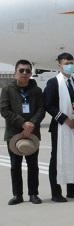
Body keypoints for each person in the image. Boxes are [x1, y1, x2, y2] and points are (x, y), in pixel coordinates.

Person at [1, 59, 44, 205]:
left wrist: (32, 123)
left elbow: (41, 109)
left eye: (28, 71)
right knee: (15, 166)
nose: (24, 73)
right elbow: (4, 110)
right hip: (14, 134)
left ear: (31, 73)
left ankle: (33, 194)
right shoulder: (7, 90)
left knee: (33, 166)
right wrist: (22, 123)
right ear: (15, 73)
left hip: (32, 133)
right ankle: (17, 195)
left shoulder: (37, 91)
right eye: (21, 70)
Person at [43, 52, 74, 202]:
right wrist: (65, 119)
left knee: (73, 156)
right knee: (57, 159)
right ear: (59, 65)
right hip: (60, 126)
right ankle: (56, 192)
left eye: (71, 63)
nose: (69, 66)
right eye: (66, 63)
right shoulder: (54, 82)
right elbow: (48, 105)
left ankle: (72, 189)